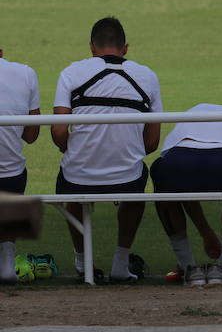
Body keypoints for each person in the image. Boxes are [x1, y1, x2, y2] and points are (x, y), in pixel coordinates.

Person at [51, 17, 162, 282]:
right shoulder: (148, 75)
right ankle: (121, 263)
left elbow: (57, 132)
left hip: (78, 178)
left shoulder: (70, 72)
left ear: (91, 47)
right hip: (127, 178)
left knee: (70, 183)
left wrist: (73, 149)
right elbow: (152, 143)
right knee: (137, 175)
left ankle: (82, 262)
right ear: (125, 48)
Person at [150, 103, 222, 285]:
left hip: (178, 159)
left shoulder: (192, 111)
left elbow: (183, 186)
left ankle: (188, 267)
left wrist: (205, 232)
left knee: (168, 187)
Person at [0, 48, 40, 283]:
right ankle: (6, 262)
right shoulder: (26, 73)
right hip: (11, 176)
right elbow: (32, 135)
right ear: (1, 52)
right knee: (14, 169)